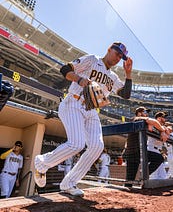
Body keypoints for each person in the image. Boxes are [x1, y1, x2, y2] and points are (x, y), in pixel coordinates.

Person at [34, 42, 133, 196]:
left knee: (97, 147)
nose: (118, 58)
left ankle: (69, 183)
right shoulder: (93, 60)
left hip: (91, 110)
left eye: (121, 56)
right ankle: (42, 163)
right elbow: (65, 69)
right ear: (109, 49)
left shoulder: (113, 77)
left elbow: (125, 94)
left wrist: (128, 74)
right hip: (73, 101)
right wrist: (80, 80)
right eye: (117, 53)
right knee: (76, 144)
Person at [123, 107, 168, 187]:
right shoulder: (137, 118)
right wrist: (162, 130)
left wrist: (162, 130)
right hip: (134, 152)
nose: (147, 113)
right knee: (129, 180)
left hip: (136, 152)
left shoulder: (143, 121)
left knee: (130, 180)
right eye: (145, 112)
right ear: (139, 113)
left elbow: (151, 127)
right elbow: (154, 121)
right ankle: (143, 176)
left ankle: (143, 176)